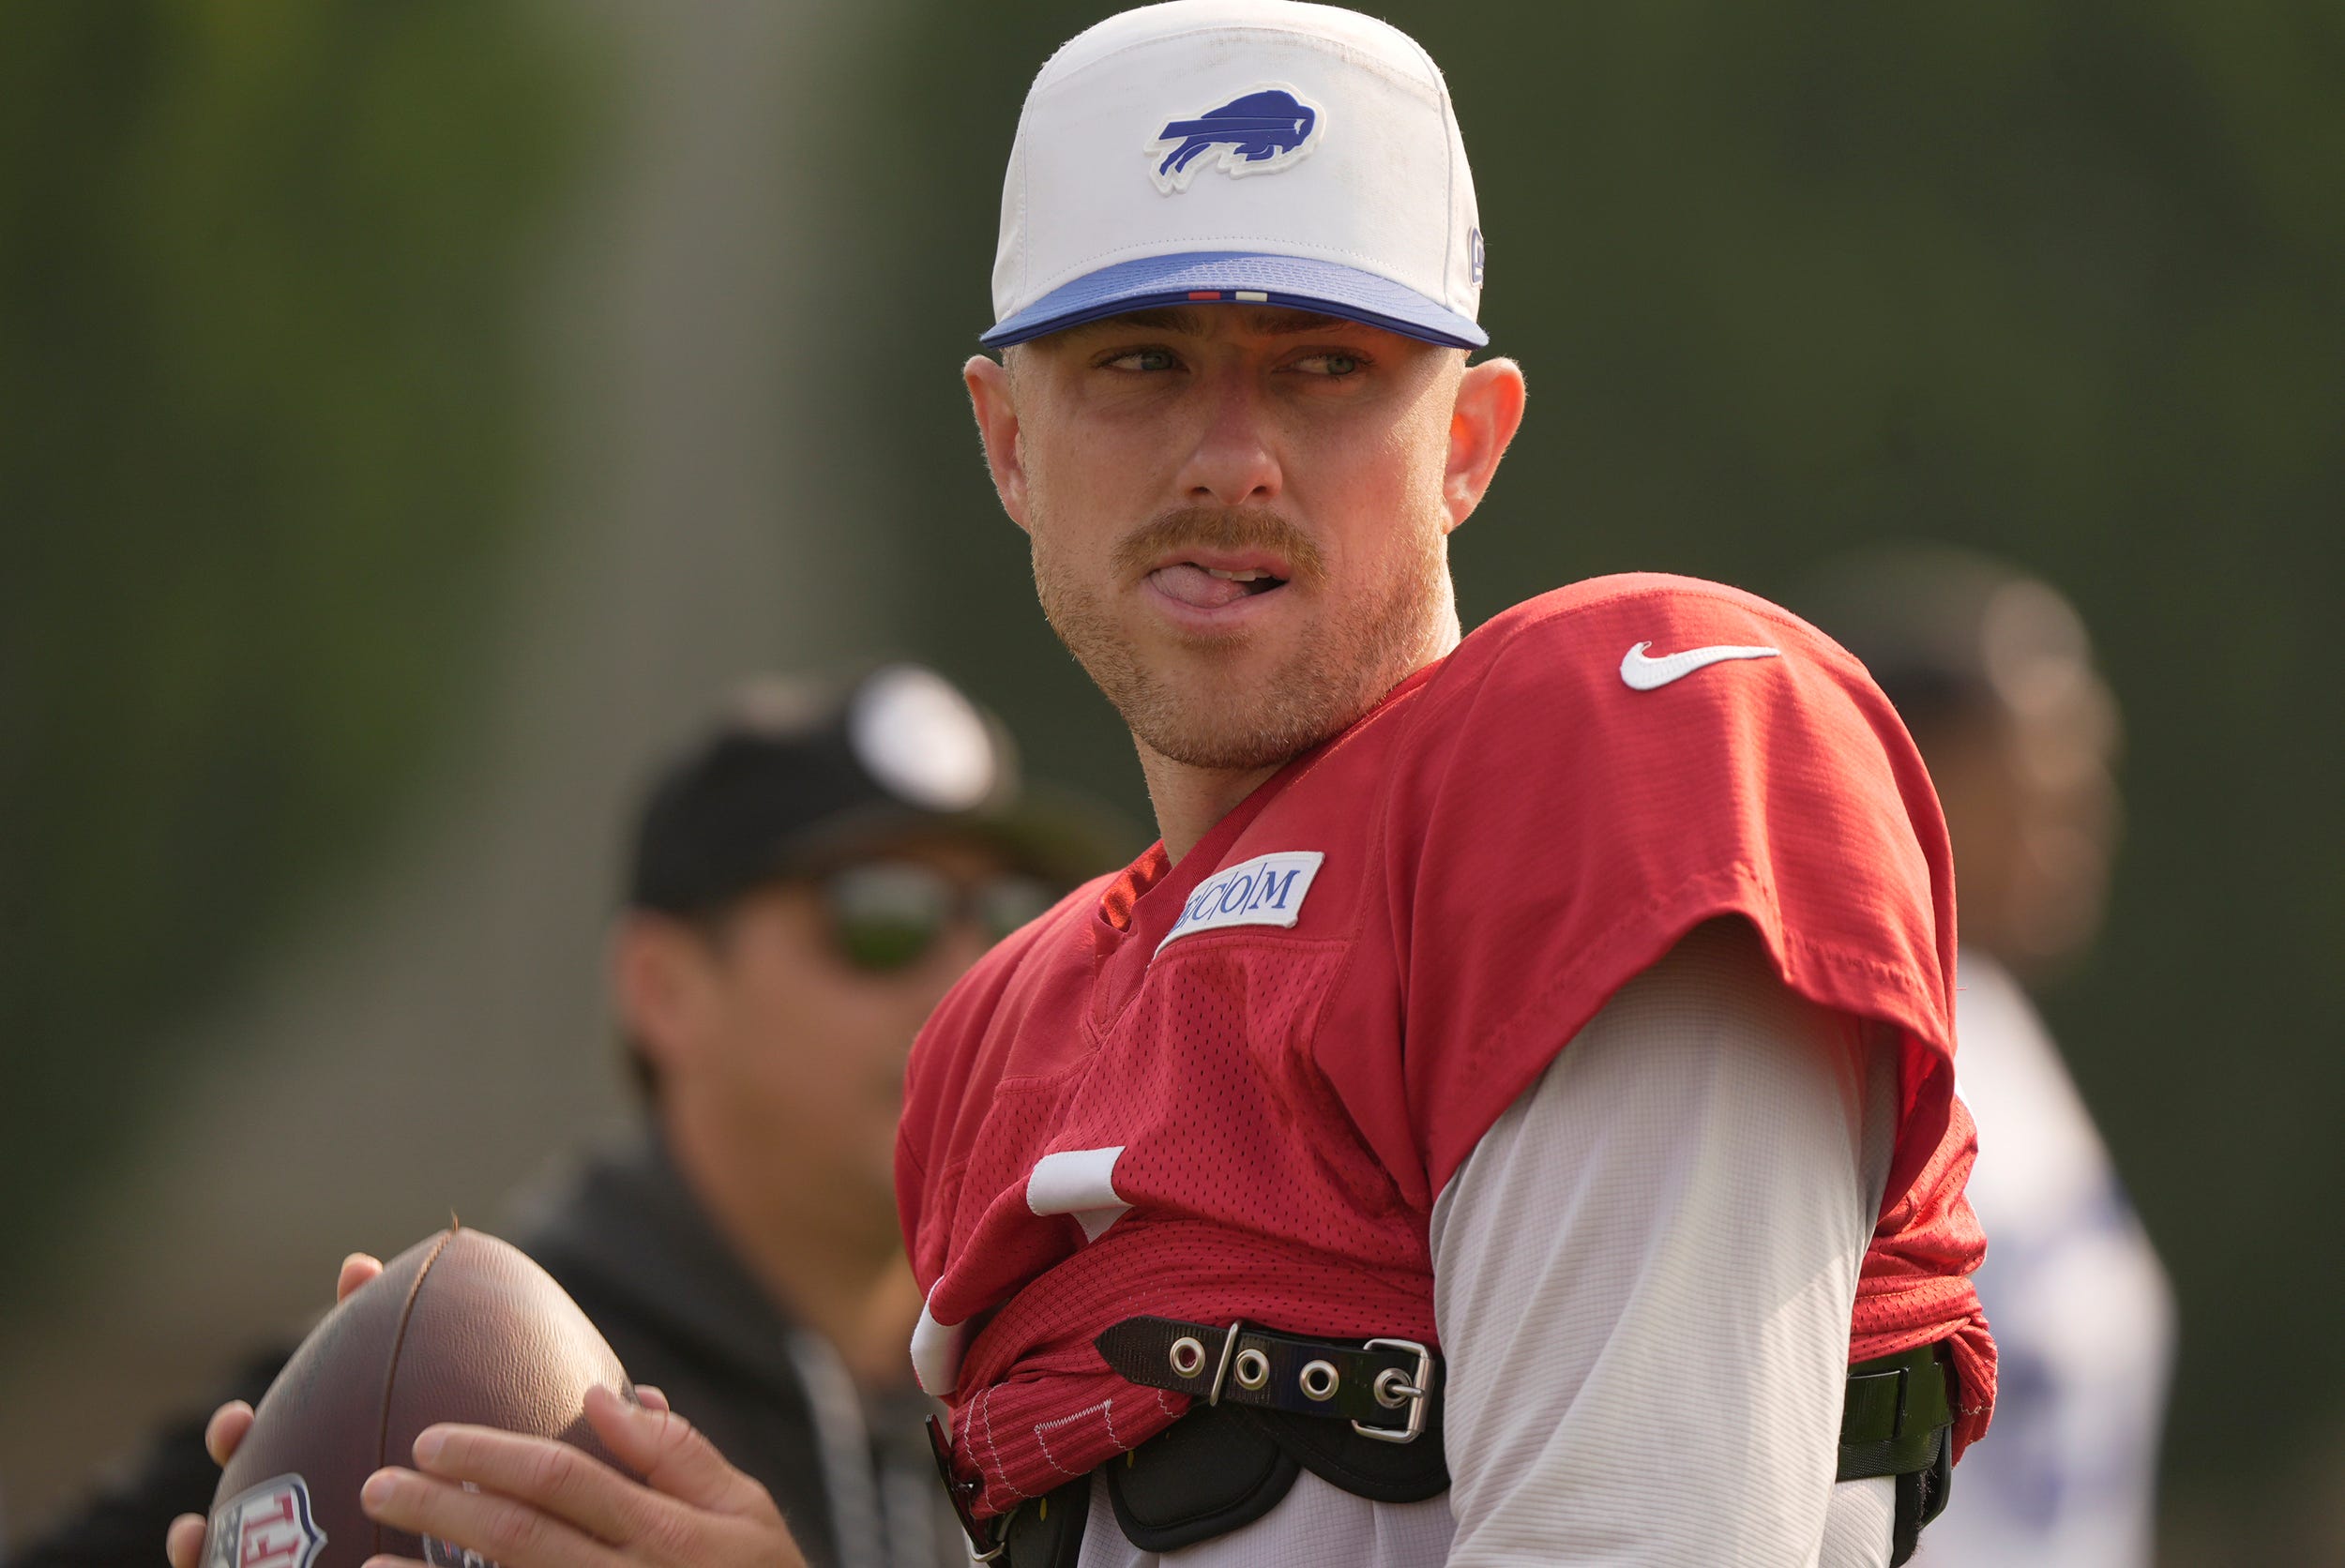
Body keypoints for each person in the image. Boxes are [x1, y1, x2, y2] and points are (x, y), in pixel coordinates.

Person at [171, 6, 1996, 1568]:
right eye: (1140, 360)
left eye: (1322, 366)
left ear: (1464, 442)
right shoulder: (1007, 1031)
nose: (1228, 454)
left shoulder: (1608, 763)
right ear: (1005, 440)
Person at [15, 664, 1118, 1568]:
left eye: (1010, 920)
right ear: (665, 988)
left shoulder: (1078, 1378)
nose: (965, 976)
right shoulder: (453, 1380)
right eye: (880, 916)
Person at [1802, 548, 2173, 1568]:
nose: (2081, 803)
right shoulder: (1836, 1044)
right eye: (2040, 757)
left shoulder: (1997, 1020)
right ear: (1911, 770)